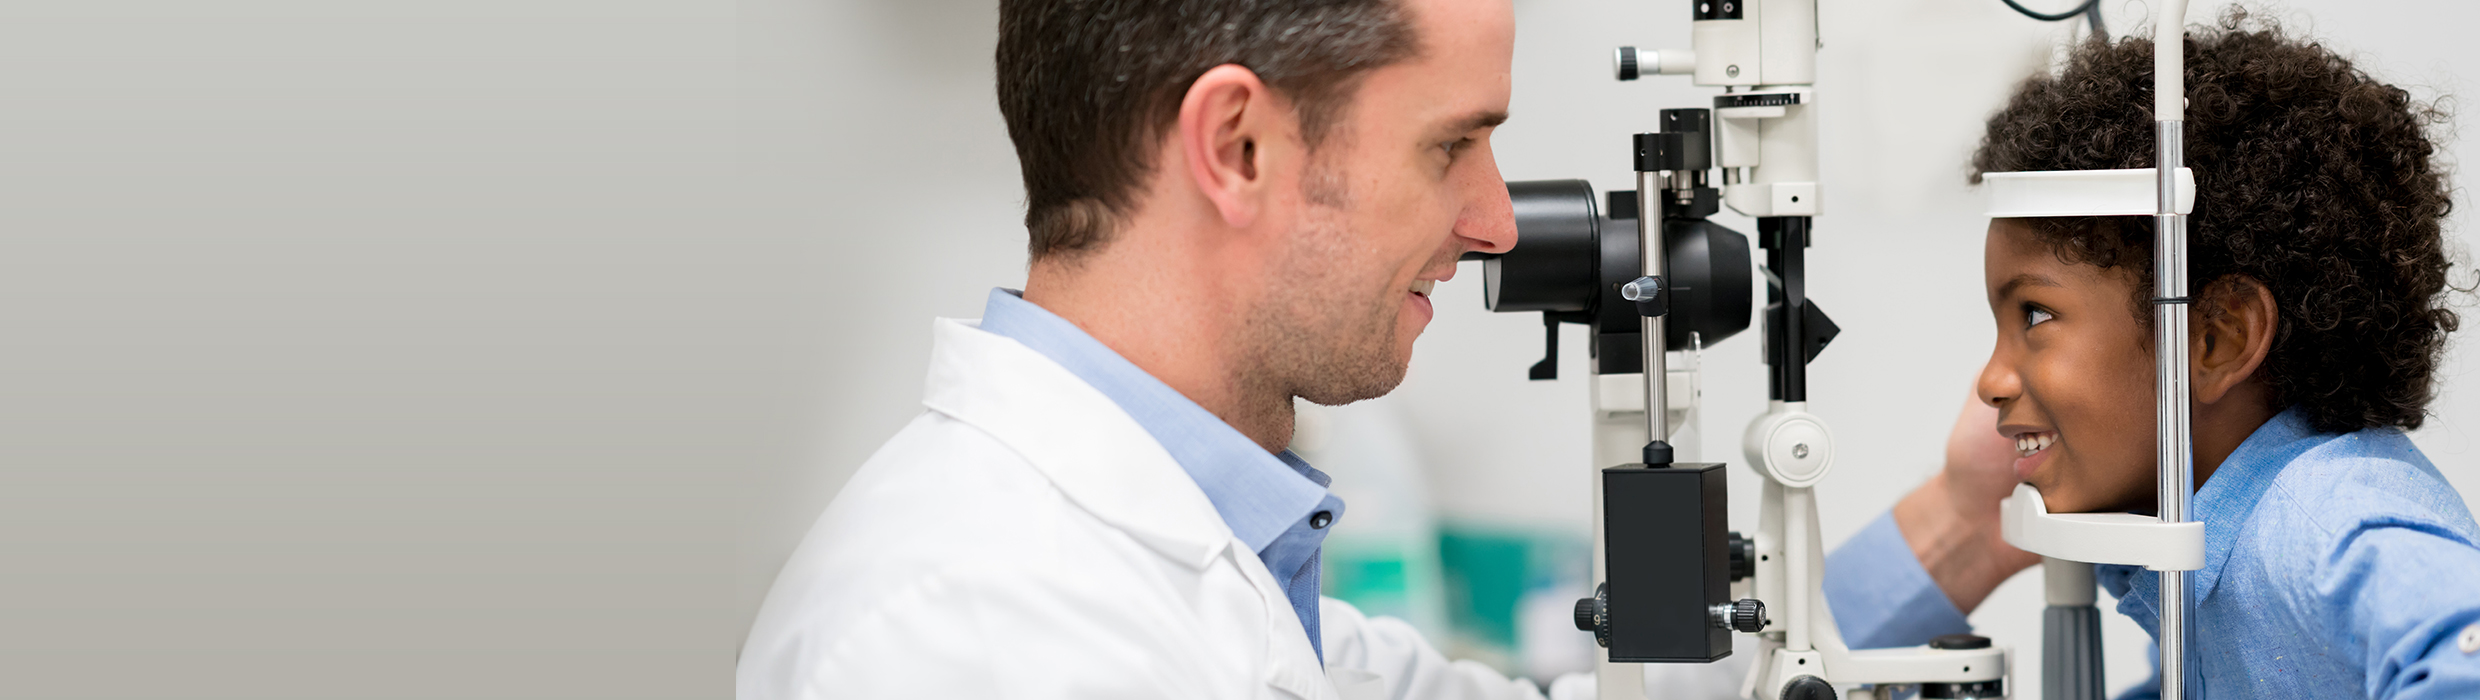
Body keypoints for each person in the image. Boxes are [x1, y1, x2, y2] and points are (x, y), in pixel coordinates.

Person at [737, 1, 2035, 698]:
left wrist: (1974, 519)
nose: (1490, 223)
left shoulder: (1222, 574)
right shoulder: (982, 632)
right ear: (1238, 147)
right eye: (1451, 144)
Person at [1968, 10, 2480, 698]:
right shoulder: (2204, 544)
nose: (1991, 380)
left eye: (2035, 315)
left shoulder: (2323, 525)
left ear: (2215, 339)